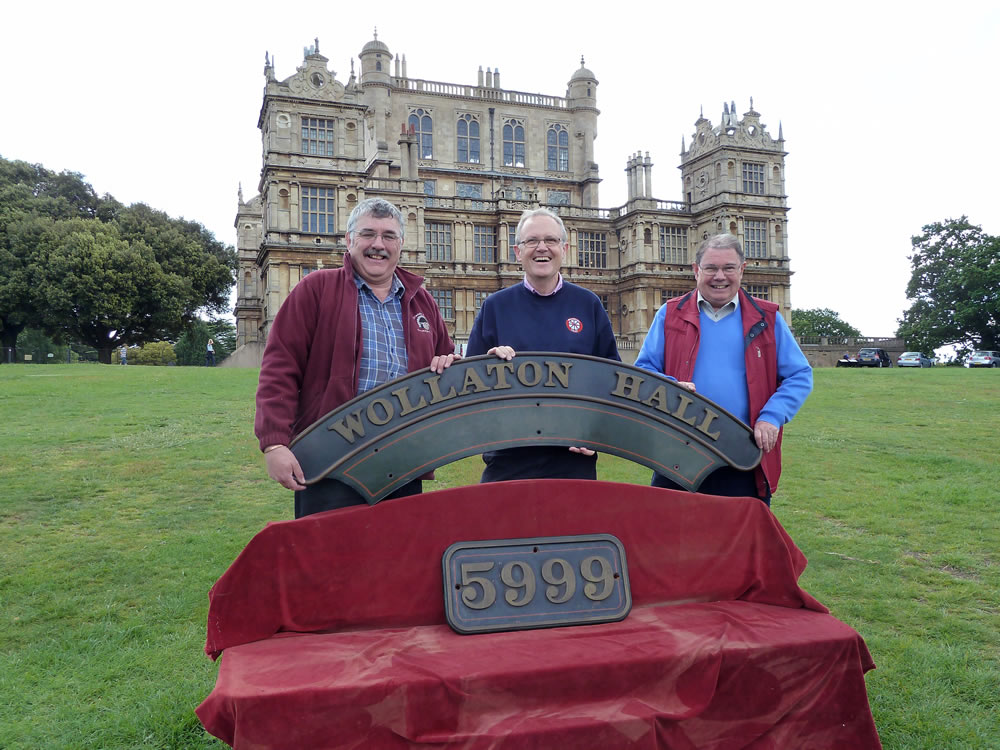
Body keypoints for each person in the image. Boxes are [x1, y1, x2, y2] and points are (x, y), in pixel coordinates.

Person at [255, 198, 458, 517]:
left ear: (401, 245)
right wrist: (275, 443)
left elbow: (447, 359)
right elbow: (280, 369)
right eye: (368, 234)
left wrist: (450, 364)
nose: (378, 244)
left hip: (403, 460)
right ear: (349, 240)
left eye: (389, 236)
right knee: (330, 549)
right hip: (331, 459)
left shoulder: (422, 301)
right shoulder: (316, 289)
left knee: (399, 548)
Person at [634, 233, 812, 505]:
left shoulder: (767, 318)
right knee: (671, 530)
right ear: (696, 270)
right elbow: (644, 371)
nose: (720, 277)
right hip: (678, 452)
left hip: (743, 455)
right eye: (711, 268)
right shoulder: (669, 314)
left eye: (729, 268)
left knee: (739, 532)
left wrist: (772, 416)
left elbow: (799, 375)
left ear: (742, 270)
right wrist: (669, 387)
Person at [466, 207, 621, 482]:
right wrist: (486, 367)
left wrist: (597, 435)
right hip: (508, 461)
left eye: (550, 240)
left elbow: (614, 382)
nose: (542, 248)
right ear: (517, 252)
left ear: (564, 249)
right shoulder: (495, 306)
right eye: (532, 241)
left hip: (573, 462)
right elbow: (468, 387)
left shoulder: (589, 304)